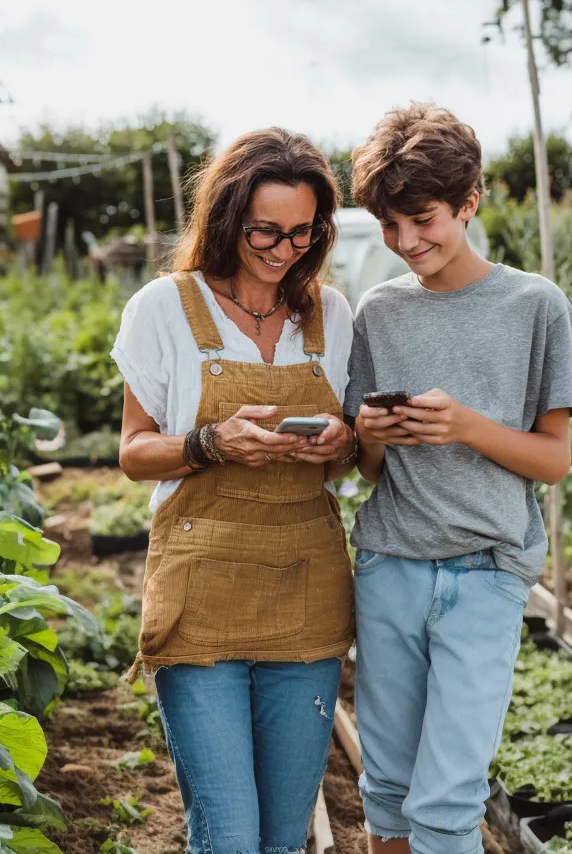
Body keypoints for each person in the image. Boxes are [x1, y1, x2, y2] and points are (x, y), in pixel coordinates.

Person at [343, 103, 572, 854]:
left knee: (449, 799)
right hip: (391, 566)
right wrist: (372, 436)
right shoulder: (379, 312)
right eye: (389, 226)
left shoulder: (535, 307)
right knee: (386, 790)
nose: (406, 242)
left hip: (486, 574)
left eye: (423, 219)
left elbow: (554, 460)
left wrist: (466, 426)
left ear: (469, 202)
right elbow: (365, 469)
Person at [112, 127, 358, 854]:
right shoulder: (166, 308)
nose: (285, 251)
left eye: (302, 235)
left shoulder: (331, 315)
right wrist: (209, 443)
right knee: (226, 837)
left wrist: (341, 443)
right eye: (265, 232)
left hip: (306, 591)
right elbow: (132, 452)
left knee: (283, 839)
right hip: (201, 597)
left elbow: (345, 464)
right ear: (227, 219)